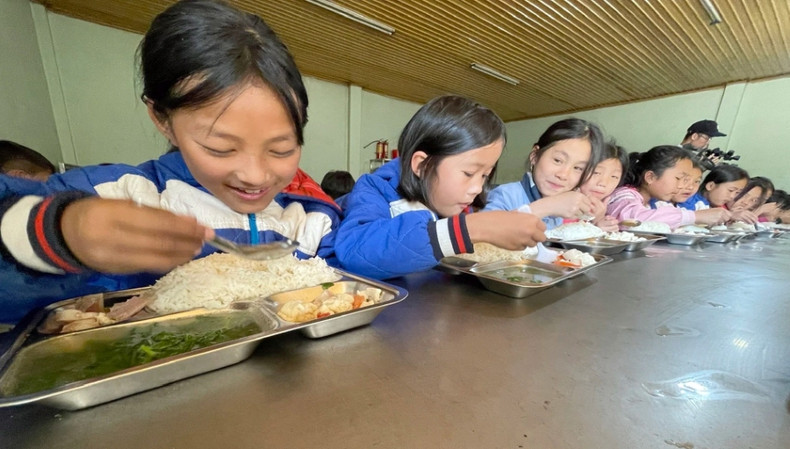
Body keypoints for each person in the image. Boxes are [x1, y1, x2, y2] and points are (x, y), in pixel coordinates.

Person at [0, 0, 341, 324]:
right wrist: (62, 232)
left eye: (281, 149)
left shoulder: (308, 219)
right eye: (220, 148)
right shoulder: (115, 194)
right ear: (162, 118)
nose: (255, 176)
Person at [334, 95, 546, 279]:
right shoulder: (375, 190)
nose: (477, 188)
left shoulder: (454, 202)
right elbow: (354, 253)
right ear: (422, 166)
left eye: (484, 175)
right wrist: (469, 228)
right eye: (469, 173)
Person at [483, 118, 606, 230]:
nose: (563, 175)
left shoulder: (568, 205)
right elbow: (480, 233)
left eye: (578, 168)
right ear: (535, 156)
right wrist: (547, 206)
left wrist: (593, 222)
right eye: (557, 160)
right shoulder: (505, 194)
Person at [606, 146, 730, 228]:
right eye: (678, 179)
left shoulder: (648, 202)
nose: (682, 186)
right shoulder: (624, 195)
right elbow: (633, 220)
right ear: (650, 177)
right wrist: (695, 216)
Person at [577, 141, 629, 231]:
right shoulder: (565, 202)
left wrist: (599, 222)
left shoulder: (602, 208)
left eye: (614, 177)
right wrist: (595, 228)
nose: (603, 183)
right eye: (596, 172)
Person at [682, 164, 749, 211]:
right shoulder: (688, 201)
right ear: (710, 186)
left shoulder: (717, 206)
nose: (732, 196)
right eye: (731, 190)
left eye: (737, 192)